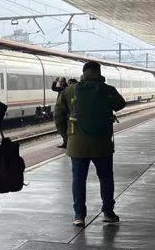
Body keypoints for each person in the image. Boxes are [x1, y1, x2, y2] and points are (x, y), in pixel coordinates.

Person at [53, 61, 126, 226]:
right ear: (99, 72)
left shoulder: (69, 90)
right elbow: (121, 104)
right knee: (106, 178)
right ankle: (108, 213)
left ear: (83, 72)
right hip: (102, 142)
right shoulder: (108, 89)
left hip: (77, 144)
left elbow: (58, 116)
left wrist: (67, 137)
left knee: (78, 179)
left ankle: (79, 216)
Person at [52, 78, 69, 149]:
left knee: (63, 127)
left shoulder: (65, 88)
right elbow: (53, 88)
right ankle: (65, 142)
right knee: (63, 127)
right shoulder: (61, 88)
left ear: (64, 81)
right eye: (59, 82)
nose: (60, 83)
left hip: (64, 110)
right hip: (63, 109)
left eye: (61, 82)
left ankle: (66, 142)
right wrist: (54, 82)